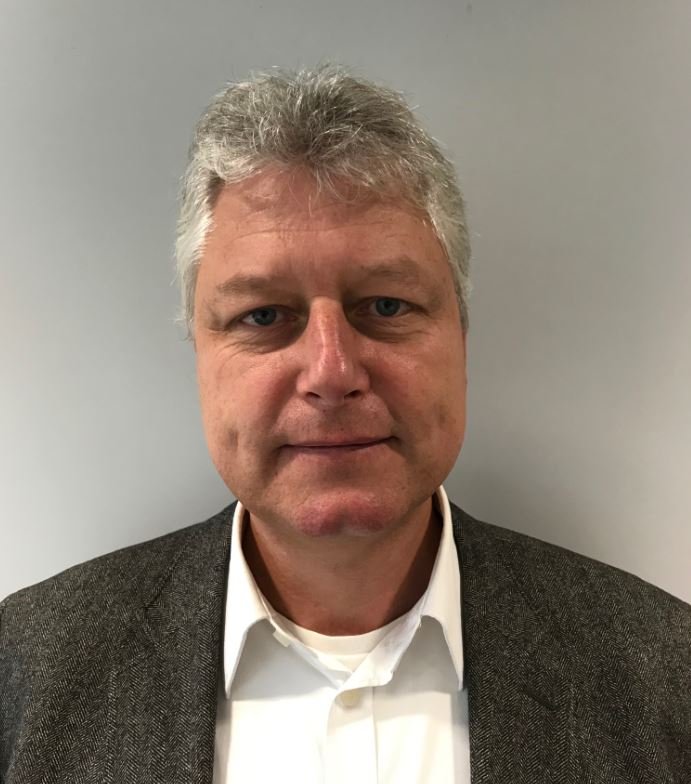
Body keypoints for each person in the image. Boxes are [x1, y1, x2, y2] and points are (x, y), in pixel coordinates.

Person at [0, 64, 689, 784]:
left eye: (386, 306)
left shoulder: (664, 675)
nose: (331, 372)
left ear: (460, 337)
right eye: (264, 315)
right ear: (199, 352)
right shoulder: (27, 669)